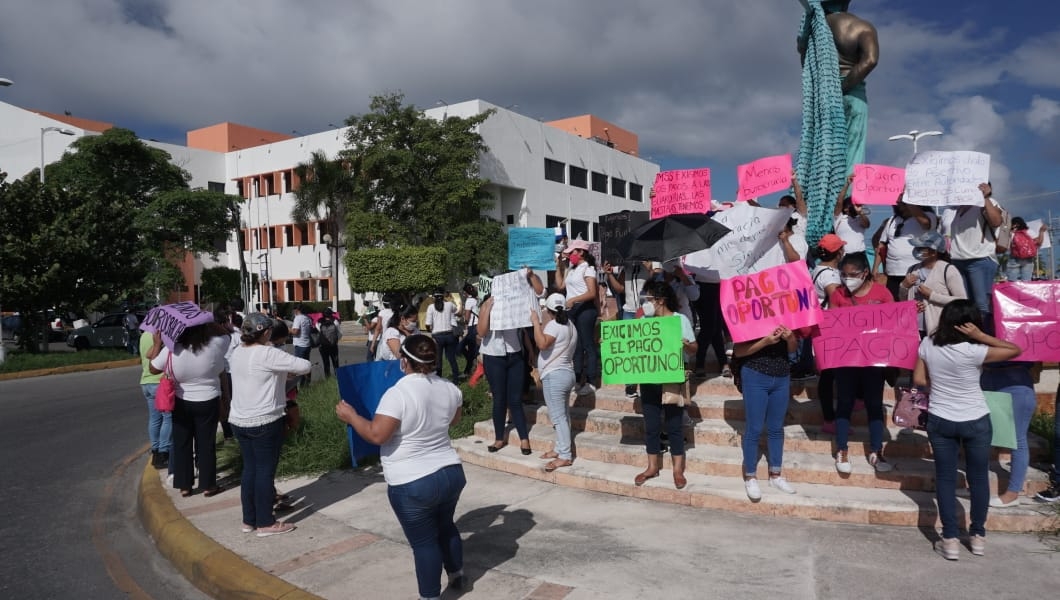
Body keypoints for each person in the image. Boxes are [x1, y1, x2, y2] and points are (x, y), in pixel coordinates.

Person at [335, 334, 467, 599]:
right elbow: (454, 420)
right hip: (450, 471)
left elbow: (376, 435)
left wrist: (351, 417)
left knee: (424, 543)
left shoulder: (398, 393)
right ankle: (457, 574)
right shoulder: (450, 388)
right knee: (446, 526)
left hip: (412, 481)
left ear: (403, 361)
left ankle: (429, 595)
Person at [914, 299, 1021, 560]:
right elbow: (1014, 349)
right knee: (978, 478)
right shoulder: (976, 350)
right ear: (971, 323)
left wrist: (939, 383)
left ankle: (949, 539)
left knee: (946, 478)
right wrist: (981, 336)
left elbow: (918, 379)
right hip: (976, 419)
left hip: (940, 418)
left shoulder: (928, 344)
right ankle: (978, 537)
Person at [228, 313, 312, 537]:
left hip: (239, 420)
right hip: (265, 420)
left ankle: (249, 520)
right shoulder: (269, 353)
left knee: (250, 470)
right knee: (265, 472)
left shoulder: (237, 352)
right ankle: (266, 522)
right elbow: (304, 365)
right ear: (266, 332)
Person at [148, 318, 231, 497]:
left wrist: (157, 344)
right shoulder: (216, 344)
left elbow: (153, 369)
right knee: (206, 444)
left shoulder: (171, 350)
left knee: (182, 443)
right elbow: (226, 334)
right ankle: (209, 485)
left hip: (181, 401)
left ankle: (185, 485)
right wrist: (209, 321)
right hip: (209, 401)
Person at [828, 253, 894, 474]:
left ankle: (877, 450)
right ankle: (841, 449)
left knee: (874, 405)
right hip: (846, 360)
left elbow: (893, 322)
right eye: (843, 275)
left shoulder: (882, 293)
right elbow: (832, 323)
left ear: (865, 273)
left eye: (853, 275)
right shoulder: (838, 294)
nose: (848, 279)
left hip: (874, 362)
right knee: (844, 403)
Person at [632, 281, 698, 490]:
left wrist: (685, 344)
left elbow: (694, 349)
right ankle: (652, 467)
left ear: (660, 301)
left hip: (672, 378)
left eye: (650, 299)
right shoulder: (645, 321)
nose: (647, 304)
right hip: (650, 379)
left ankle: (677, 470)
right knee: (651, 426)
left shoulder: (680, 320)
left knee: (674, 426)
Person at [732, 318, 798, 501]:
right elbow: (739, 351)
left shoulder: (787, 316)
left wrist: (791, 337)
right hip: (755, 376)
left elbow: (793, 349)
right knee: (754, 427)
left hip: (782, 377)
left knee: (776, 427)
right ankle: (750, 476)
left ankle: (775, 475)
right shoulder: (749, 316)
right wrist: (766, 341)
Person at [938, 182, 1005, 334]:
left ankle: (986, 339)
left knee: (982, 305)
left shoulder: (988, 203)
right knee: (964, 304)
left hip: (980, 259)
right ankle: (969, 339)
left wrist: (985, 198)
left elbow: (996, 221)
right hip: (958, 261)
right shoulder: (956, 209)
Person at [477, 290, 532, 456]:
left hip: (514, 354)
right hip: (494, 356)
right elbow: (481, 332)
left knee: (515, 399)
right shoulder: (486, 306)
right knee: (499, 398)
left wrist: (530, 351)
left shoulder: (513, 306)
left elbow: (522, 331)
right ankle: (499, 438)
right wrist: (487, 307)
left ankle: (524, 438)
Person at [530, 294, 578, 472]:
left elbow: (542, 344)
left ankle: (565, 455)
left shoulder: (554, 325)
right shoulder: (571, 325)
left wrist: (536, 322)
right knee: (562, 415)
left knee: (558, 418)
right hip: (565, 374)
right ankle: (560, 448)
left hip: (555, 375)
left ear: (549, 311)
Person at [981, 361, 1038, 509]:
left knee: (1017, 439)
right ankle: (980, 487)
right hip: (987, 377)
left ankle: (1012, 493)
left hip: (1016, 381)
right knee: (981, 436)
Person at [554, 239, 601, 395]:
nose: (570, 256)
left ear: (581, 252)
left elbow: (592, 292)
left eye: (573, 252)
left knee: (588, 344)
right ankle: (577, 378)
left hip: (585, 310)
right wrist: (558, 267)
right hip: (573, 311)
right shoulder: (572, 269)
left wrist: (573, 299)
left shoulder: (588, 269)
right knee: (576, 346)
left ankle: (591, 380)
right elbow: (560, 286)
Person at [899, 231, 967, 337]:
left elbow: (962, 301)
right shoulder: (912, 269)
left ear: (933, 252)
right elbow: (902, 300)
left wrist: (932, 296)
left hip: (939, 329)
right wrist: (904, 286)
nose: (917, 250)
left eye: (921, 248)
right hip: (914, 329)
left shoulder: (948, 270)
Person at [810, 234, 845, 433]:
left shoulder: (819, 268)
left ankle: (830, 418)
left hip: (823, 325)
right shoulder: (830, 275)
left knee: (828, 374)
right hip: (831, 327)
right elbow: (837, 298)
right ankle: (830, 418)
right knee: (830, 374)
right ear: (838, 252)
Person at [872, 198, 938, 300]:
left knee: (915, 306)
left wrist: (908, 200)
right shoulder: (892, 220)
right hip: (893, 273)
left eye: (901, 202)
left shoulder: (929, 216)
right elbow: (882, 245)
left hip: (915, 273)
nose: (898, 204)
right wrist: (875, 268)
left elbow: (925, 224)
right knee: (896, 306)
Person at [139, 328, 170, 469]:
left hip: (146, 381)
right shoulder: (161, 335)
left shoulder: (143, 336)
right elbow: (152, 356)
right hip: (159, 382)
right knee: (168, 418)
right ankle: (163, 452)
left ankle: (155, 450)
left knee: (154, 418)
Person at [425, 287, 460, 384]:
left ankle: (438, 380)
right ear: (443, 295)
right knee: (452, 359)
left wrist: (430, 331)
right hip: (449, 335)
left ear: (434, 297)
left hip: (437, 336)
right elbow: (457, 311)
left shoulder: (430, 307)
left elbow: (428, 324)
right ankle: (456, 379)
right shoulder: (449, 305)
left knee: (438, 360)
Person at [833, 173, 870, 259]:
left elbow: (867, 224)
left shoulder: (860, 218)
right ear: (845, 208)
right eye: (852, 204)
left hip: (860, 255)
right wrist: (847, 184)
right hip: (844, 256)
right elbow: (839, 201)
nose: (855, 206)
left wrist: (860, 212)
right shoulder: (839, 218)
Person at [1005, 217, 1046, 281]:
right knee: (1026, 282)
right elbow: (1039, 242)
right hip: (1028, 258)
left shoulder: (1011, 233)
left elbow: (1006, 245)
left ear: (1015, 224)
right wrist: (1041, 231)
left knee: (1012, 282)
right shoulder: (1029, 232)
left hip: (1014, 258)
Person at [458, 283, 480, 380]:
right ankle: (472, 365)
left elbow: (467, 317)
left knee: (461, 347)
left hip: (472, 327)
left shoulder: (469, 301)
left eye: (464, 292)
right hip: (478, 326)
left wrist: (462, 321)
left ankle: (469, 369)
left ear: (466, 292)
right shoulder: (476, 300)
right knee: (472, 349)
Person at [289, 303, 313, 386]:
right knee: (306, 365)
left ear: (296, 310)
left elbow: (295, 331)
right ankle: (307, 383)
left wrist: (288, 329)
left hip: (300, 345)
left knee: (300, 367)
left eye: (293, 310)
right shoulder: (307, 318)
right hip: (307, 344)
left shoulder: (298, 318)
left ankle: (302, 385)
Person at [316, 307, 342, 378]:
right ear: (331, 314)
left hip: (323, 346)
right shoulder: (335, 322)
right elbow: (340, 334)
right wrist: (334, 340)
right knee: (335, 363)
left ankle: (328, 379)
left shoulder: (318, 322)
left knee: (326, 363)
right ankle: (338, 378)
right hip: (333, 345)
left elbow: (320, 333)